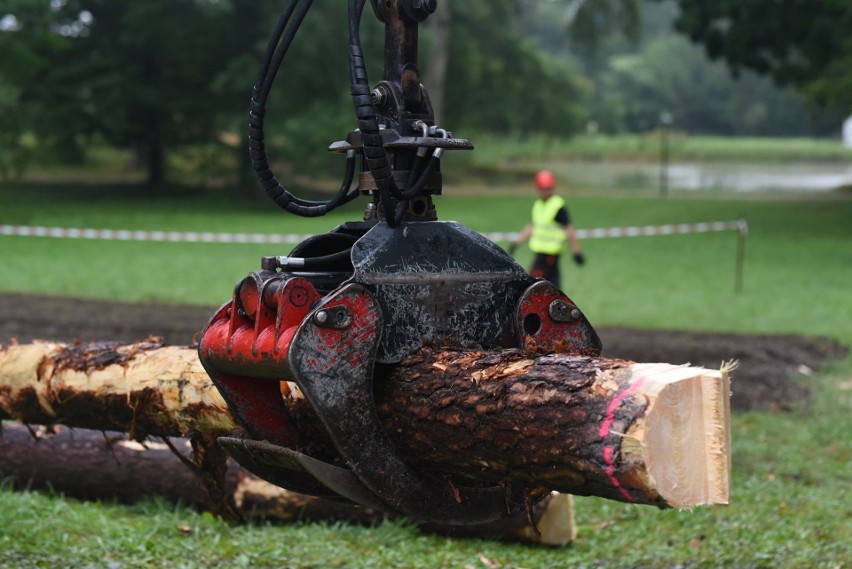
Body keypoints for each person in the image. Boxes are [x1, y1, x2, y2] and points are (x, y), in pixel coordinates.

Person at [508, 170, 585, 289]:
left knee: (532, 285)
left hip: (550, 254)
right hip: (540, 253)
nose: (546, 192)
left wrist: (576, 252)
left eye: (549, 188)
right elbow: (532, 226)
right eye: (543, 189)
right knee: (553, 285)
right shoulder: (539, 204)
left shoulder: (558, 206)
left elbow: (569, 230)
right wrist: (516, 243)